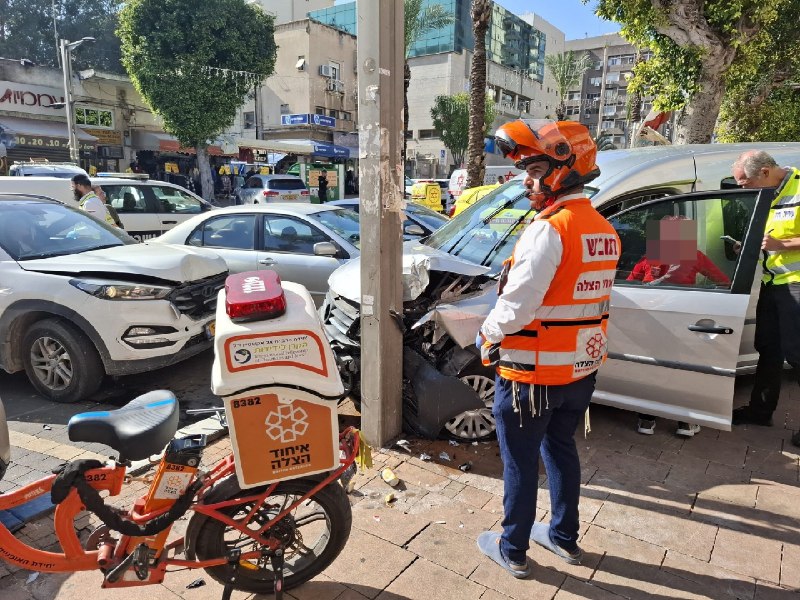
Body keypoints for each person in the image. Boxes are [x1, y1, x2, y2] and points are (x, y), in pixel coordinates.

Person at [475, 119, 620, 578]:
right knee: (561, 449)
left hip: (532, 372)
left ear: (566, 168)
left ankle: (513, 548)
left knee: (519, 462)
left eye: (535, 169)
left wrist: (486, 334)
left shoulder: (549, 229)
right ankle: (563, 538)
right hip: (580, 369)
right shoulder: (603, 230)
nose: (527, 179)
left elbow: (516, 308)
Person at [731, 150, 800, 446]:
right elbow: (766, 240)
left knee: (797, 355)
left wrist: (780, 243)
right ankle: (760, 410)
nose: (742, 189)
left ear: (764, 172)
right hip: (774, 285)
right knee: (768, 348)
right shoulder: (767, 195)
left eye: (744, 183)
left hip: (797, 286)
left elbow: (779, 241)